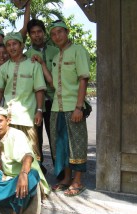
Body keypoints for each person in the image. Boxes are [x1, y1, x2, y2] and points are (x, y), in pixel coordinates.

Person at [48, 20, 90, 196]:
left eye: (60, 32)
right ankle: (66, 178)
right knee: (61, 146)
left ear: (67, 32)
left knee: (76, 144)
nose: (57, 36)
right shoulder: (56, 57)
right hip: (57, 108)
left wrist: (79, 107)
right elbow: (52, 84)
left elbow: (83, 78)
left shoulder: (78, 50)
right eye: (53, 34)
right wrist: (43, 66)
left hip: (73, 106)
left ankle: (78, 181)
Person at [0, 32, 47, 161]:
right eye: (9, 45)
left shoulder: (34, 65)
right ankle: (13, 179)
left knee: (31, 150)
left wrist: (39, 110)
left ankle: (33, 179)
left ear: (22, 45)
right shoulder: (4, 67)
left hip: (27, 117)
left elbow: (39, 90)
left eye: (15, 44)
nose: (12, 48)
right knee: (9, 151)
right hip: (9, 117)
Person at [25, 18, 59, 174]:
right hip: (35, 103)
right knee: (35, 137)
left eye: (39, 32)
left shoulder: (56, 51)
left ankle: (60, 170)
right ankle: (38, 170)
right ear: (29, 36)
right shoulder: (26, 56)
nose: (37, 35)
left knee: (55, 137)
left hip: (54, 101)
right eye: (33, 33)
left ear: (44, 33)